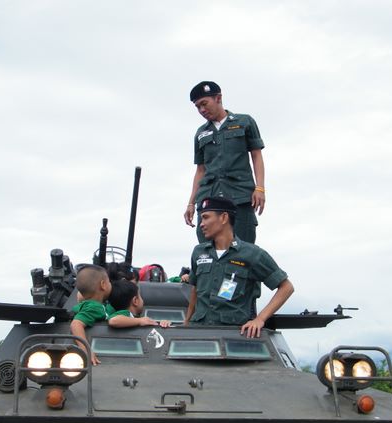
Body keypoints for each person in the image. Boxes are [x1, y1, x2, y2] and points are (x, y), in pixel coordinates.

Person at [184, 197, 294, 338]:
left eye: (206, 217)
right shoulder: (199, 252)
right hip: (199, 334)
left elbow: (286, 287)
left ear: (224, 218)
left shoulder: (252, 254)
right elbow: (195, 289)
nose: (201, 224)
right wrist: (186, 324)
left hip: (233, 337)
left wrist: (260, 319)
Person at [184, 81, 266, 244]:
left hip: (240, 195)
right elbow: (200, 170)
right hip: (209, 199)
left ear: (218, 98)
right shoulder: (201, 133)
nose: (202, 110)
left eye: (204, 104)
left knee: (243, 249)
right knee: (207, 251)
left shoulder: (244, 122)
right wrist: (191, 203)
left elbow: (256, 156)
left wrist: (260, 188)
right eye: (198, 107)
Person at [70, 265, 112, 365]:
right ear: (103, 285)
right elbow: (76, 324)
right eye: (109, 282)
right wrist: (86, 349)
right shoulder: (94, 307)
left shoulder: (89, 305)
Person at [107, 280, 172, 328]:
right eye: (140, 296)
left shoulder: (132, 318)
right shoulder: (126, 313)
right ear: (135, 301)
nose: (142, 300)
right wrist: (140, 321)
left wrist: (163, 323)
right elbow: (113, 321)